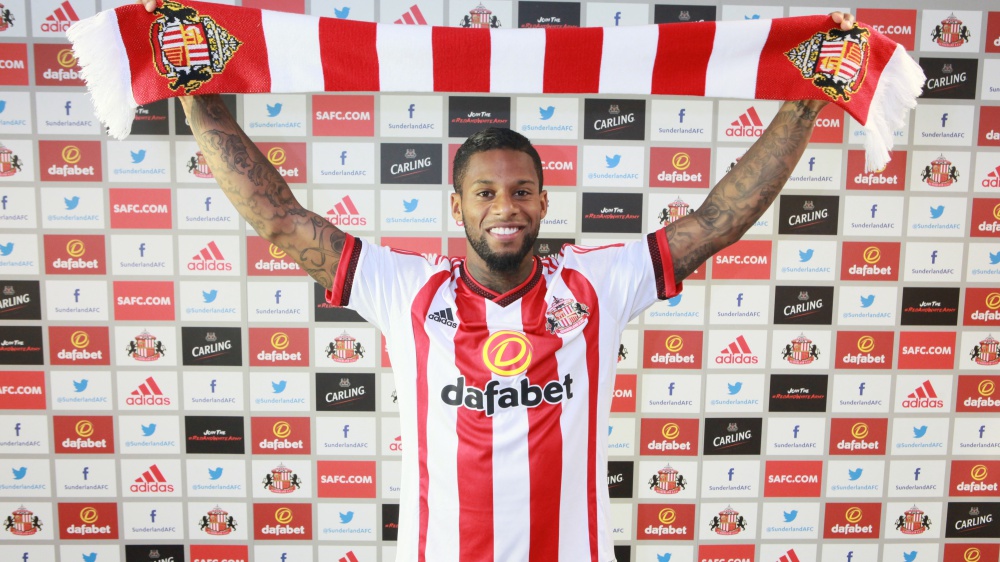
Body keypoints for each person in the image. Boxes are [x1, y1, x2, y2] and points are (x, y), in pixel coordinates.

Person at [138, 3, 853, 560]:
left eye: (520, 192)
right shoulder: (407, 289)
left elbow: (716, 222)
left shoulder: (596, 282)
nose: (504, 207)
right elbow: (282, 222)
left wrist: (806, 101)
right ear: (458, 208)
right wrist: (197, 95)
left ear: (543, 203)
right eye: (484, 193)